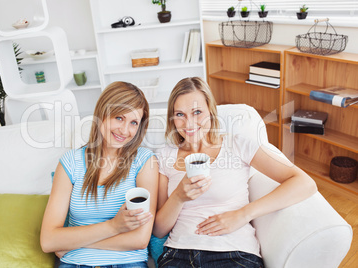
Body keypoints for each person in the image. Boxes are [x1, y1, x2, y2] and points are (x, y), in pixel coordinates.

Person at [153, 77, 317, 267]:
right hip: (179, 255)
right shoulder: (165, 156)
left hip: (234, 253)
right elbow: (158, 230)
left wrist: (243, 214)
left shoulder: (237, 144)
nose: (189, 123)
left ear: (211, 112)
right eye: (180, 114)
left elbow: (304, 183)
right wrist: (179, 197)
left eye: (197, 112)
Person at [40, 81, 159, 268]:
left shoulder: (144, 161)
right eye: (119, 118)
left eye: (133, 122)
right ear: (102, 113)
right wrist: (113, 227)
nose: (125, 130)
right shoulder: (70, 162)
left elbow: (140, 239)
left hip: (128, 263)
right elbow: (48, 240)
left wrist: (72, 241)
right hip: (75, 263)